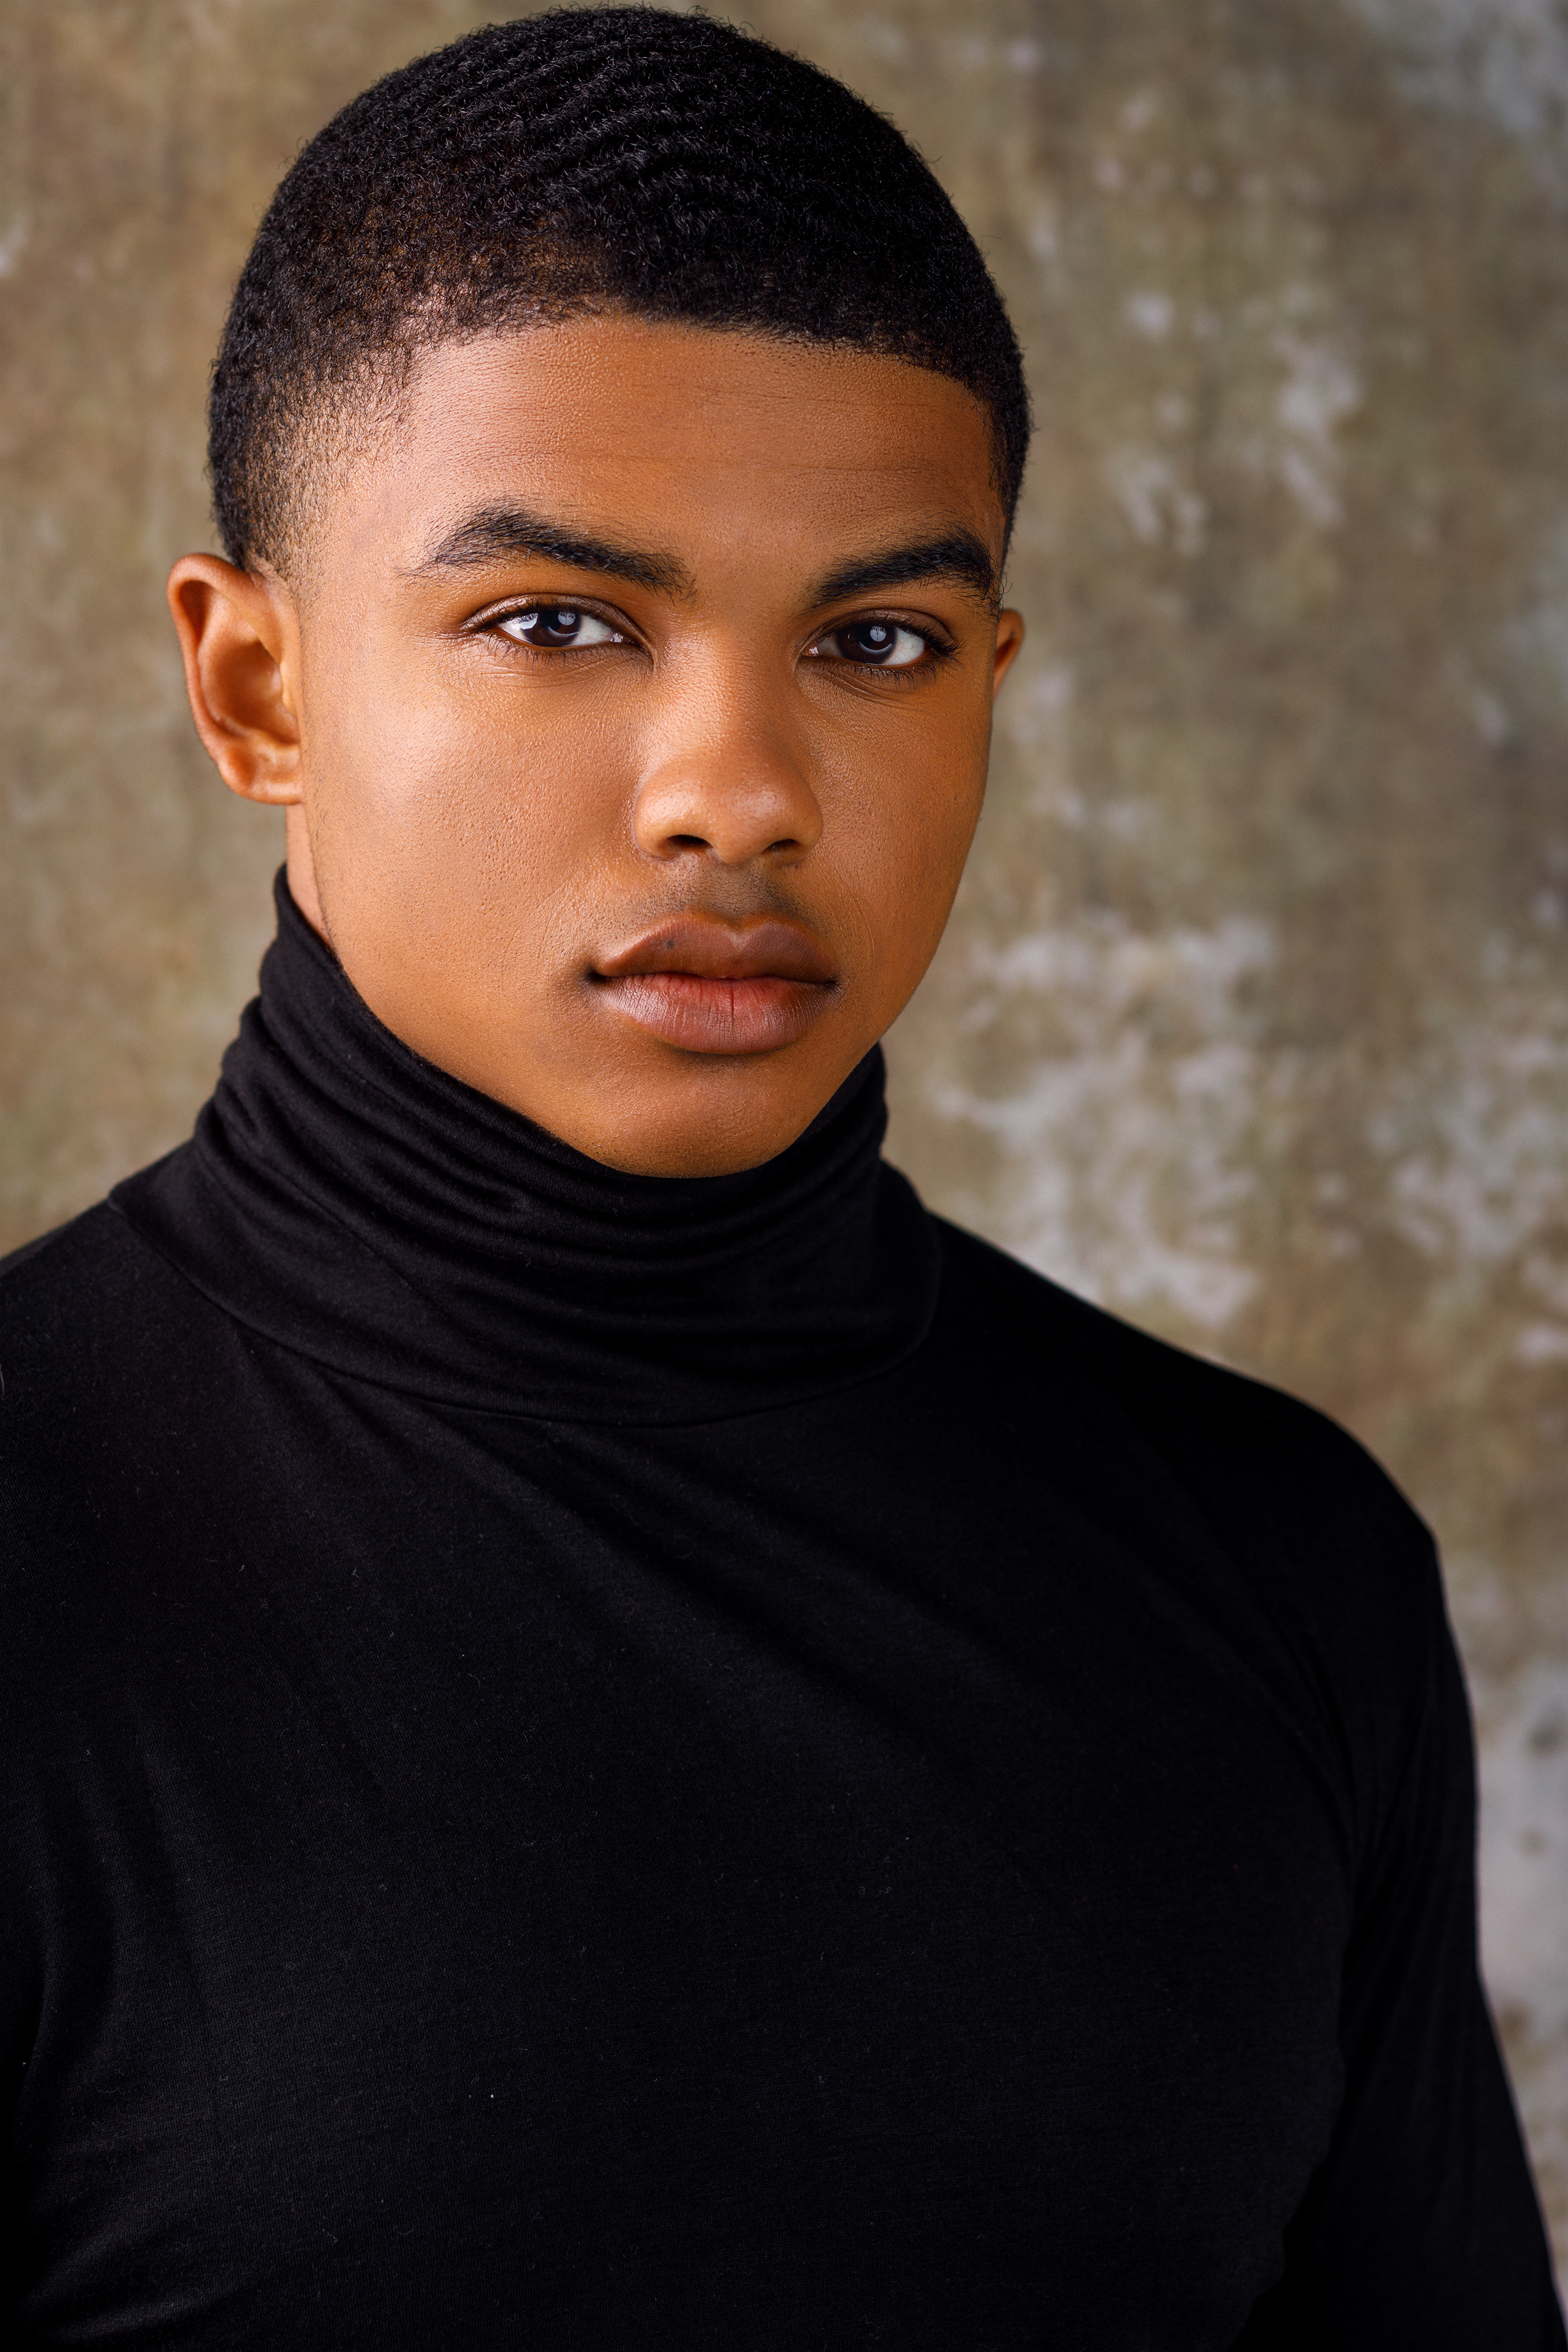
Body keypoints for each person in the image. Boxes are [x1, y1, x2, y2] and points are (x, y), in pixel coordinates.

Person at [0, 8, 1559, 2344]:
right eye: (557, 623)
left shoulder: (1279, 1564)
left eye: (876, 639)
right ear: (257, 691)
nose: (737, 791)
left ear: (994, 678)